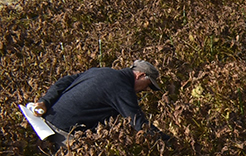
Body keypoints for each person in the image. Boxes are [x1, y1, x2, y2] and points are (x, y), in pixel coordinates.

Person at [32, 60, 160, 142]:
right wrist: (170, 142)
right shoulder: (122, 88)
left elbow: (63, 82)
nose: (146, 89)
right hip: (64, 133)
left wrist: (45, 101)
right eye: (148, 85)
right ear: (141, 76)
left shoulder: (99, 71)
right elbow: (139, 124)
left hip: (45, 120)